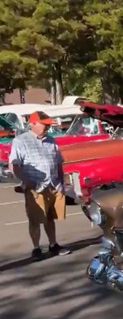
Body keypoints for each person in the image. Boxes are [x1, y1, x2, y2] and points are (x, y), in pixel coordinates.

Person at [9, 111, 71, 259]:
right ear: (33, 123)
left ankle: (53, 245)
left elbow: (58, 162)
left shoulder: (51, 140)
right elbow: (14, 165)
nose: (47, 127)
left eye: (48, 124)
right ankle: (36, 248)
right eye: (45, 124)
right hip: (35, 187)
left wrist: (61, 182)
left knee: (50, 217)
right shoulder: (21, 141)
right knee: (35, 219)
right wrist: (27, 181)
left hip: (53, 185)